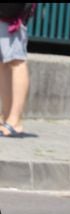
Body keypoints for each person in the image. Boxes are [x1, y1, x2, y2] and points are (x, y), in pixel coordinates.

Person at [0, 3, 35, 137]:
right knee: (3, 63)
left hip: (13, 12)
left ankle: (15, 121)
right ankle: (6, 117)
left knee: (17, 61)